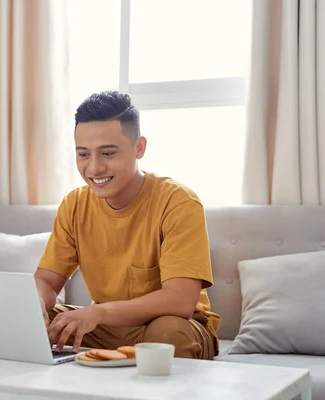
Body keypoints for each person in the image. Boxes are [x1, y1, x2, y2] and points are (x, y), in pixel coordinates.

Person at [34, 90, 221, 360]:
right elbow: (47, 281)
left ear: (139, 148)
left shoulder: (178, 202)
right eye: (83, 154)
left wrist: (98, 312)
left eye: (108, 153)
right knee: (23, 322)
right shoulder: (74, 205)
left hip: (174, 324)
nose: (94, 168)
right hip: (106, 326)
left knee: (167, 335)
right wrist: (36, 303)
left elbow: (180, 301)